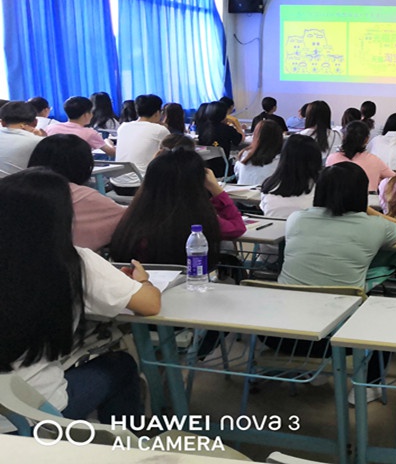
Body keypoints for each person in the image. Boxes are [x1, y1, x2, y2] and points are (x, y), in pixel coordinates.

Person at [0, 168, 160, 429]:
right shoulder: (74, 262)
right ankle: (125, 445)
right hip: (33, 415)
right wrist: (141, 281)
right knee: (120, 366)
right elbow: (150, 304)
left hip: (8, 404)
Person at [278, 162, 396, 405]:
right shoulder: (374, 226)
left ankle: (315, 371)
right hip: (337, 338)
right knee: (388, 312)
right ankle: (368, 386)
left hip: (279, 333)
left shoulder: (296, 219)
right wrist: (368, 209)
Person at [110, 148, 246, 266]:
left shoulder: (132, 217)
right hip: (187, 282)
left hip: (138, 283)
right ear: (198, 183)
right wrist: (217, 190)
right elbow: (238, 228)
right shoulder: (199, 219)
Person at [28, 134, 126, 251]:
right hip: (67, 261)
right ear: (84, 165)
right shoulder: (87, 198)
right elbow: (127, 222)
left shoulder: (14, 188)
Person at [110, 94, 170, 195]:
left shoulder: (123, 127)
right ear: (157, 113)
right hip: (141, 186)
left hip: (116, 184)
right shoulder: (160, 130)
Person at [259, 134, 322, 218]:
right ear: (316, 160)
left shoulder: (269, 185)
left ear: (283, 157)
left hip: (271, 225)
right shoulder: (319, 187)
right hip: (307, 225)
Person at [326, 120, 394, 192]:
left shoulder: (331, 159)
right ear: (367, 139)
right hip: (368, 198)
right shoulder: (374, 160)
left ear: (343, 137)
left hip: (336, 198)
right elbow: (395, 179)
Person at [46, 96, 115, 158]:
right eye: (91, 112)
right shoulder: (89, 133)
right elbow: (112, 153)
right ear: (86, 114)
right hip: (78, 167)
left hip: (51, 166)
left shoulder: (50, 128)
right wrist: (108, 142)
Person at [198, 101, 243, 177]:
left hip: (205, 169)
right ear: (224, 115)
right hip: (223, 169)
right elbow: (240, 140)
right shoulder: (228, 129)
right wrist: (236, 124)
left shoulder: (202, 128)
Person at [0, 101, 44, 178]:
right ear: (35, 122)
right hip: (21, 184)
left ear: (2, 123)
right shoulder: (39, 141)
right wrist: (42, 137)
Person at [234, 119, 283, 186]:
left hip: (242, 191)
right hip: (267, 192)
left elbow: (237, 174)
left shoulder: (244, 155)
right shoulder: (281, 162)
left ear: (255, 136)